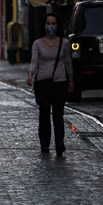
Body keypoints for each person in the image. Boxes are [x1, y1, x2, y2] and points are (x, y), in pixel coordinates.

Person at [27, 13, 74, 156]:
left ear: (58, 26)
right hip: (43, 85)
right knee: (44, 115)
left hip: (60, 83)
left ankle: (59, 144)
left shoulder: (64, 43)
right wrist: (30, 74)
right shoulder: (37, 44)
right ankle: (45, 145)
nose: (50, 26)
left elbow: (68, 62)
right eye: (48, 23)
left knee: (58, 114)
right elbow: (34, 61)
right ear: (44, 25)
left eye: (53, 23)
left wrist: (71, 80)